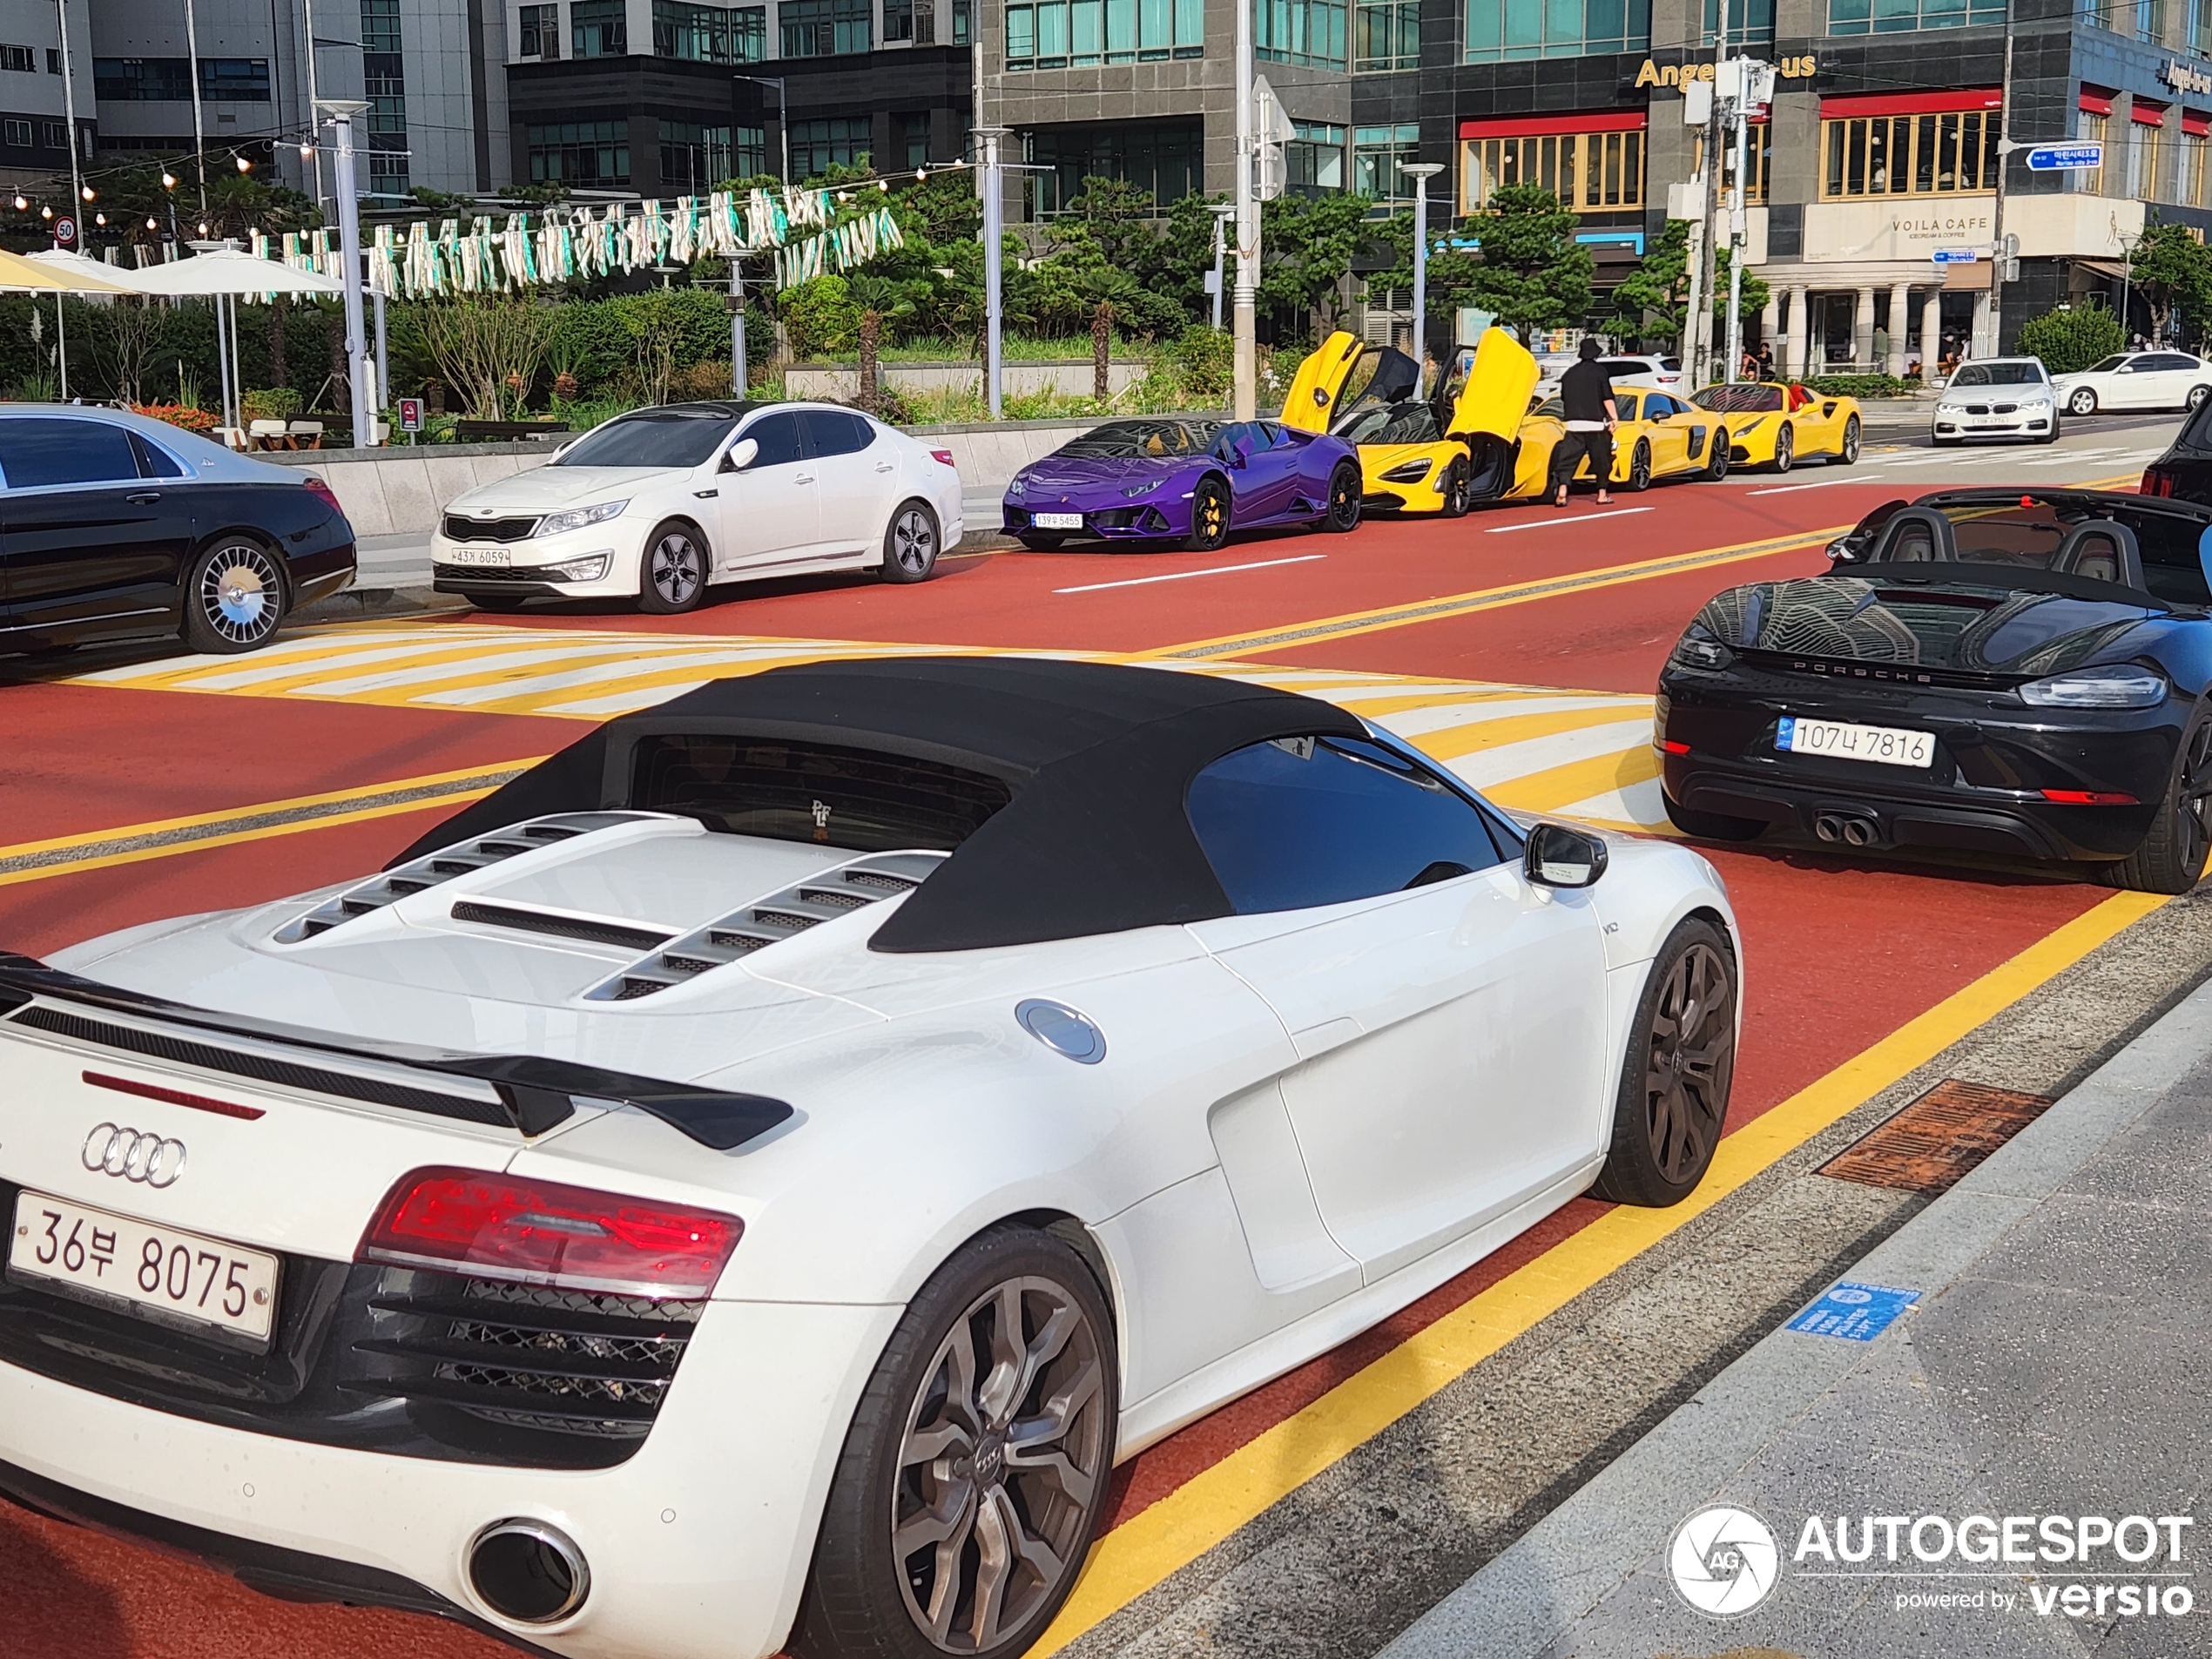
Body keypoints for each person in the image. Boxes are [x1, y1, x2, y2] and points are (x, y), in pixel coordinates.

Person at [1549, 340, 1617, 509]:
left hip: (1573, 423)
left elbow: (1564, 398)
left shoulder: (1569, 374)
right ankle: (1602, 495)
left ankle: (1562, 491)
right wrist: (1614, 418)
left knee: (1567, 460)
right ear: (1595, 354)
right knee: (1602, 460)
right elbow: (1606, 397)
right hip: (1595, 424)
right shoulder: (1600, 372)